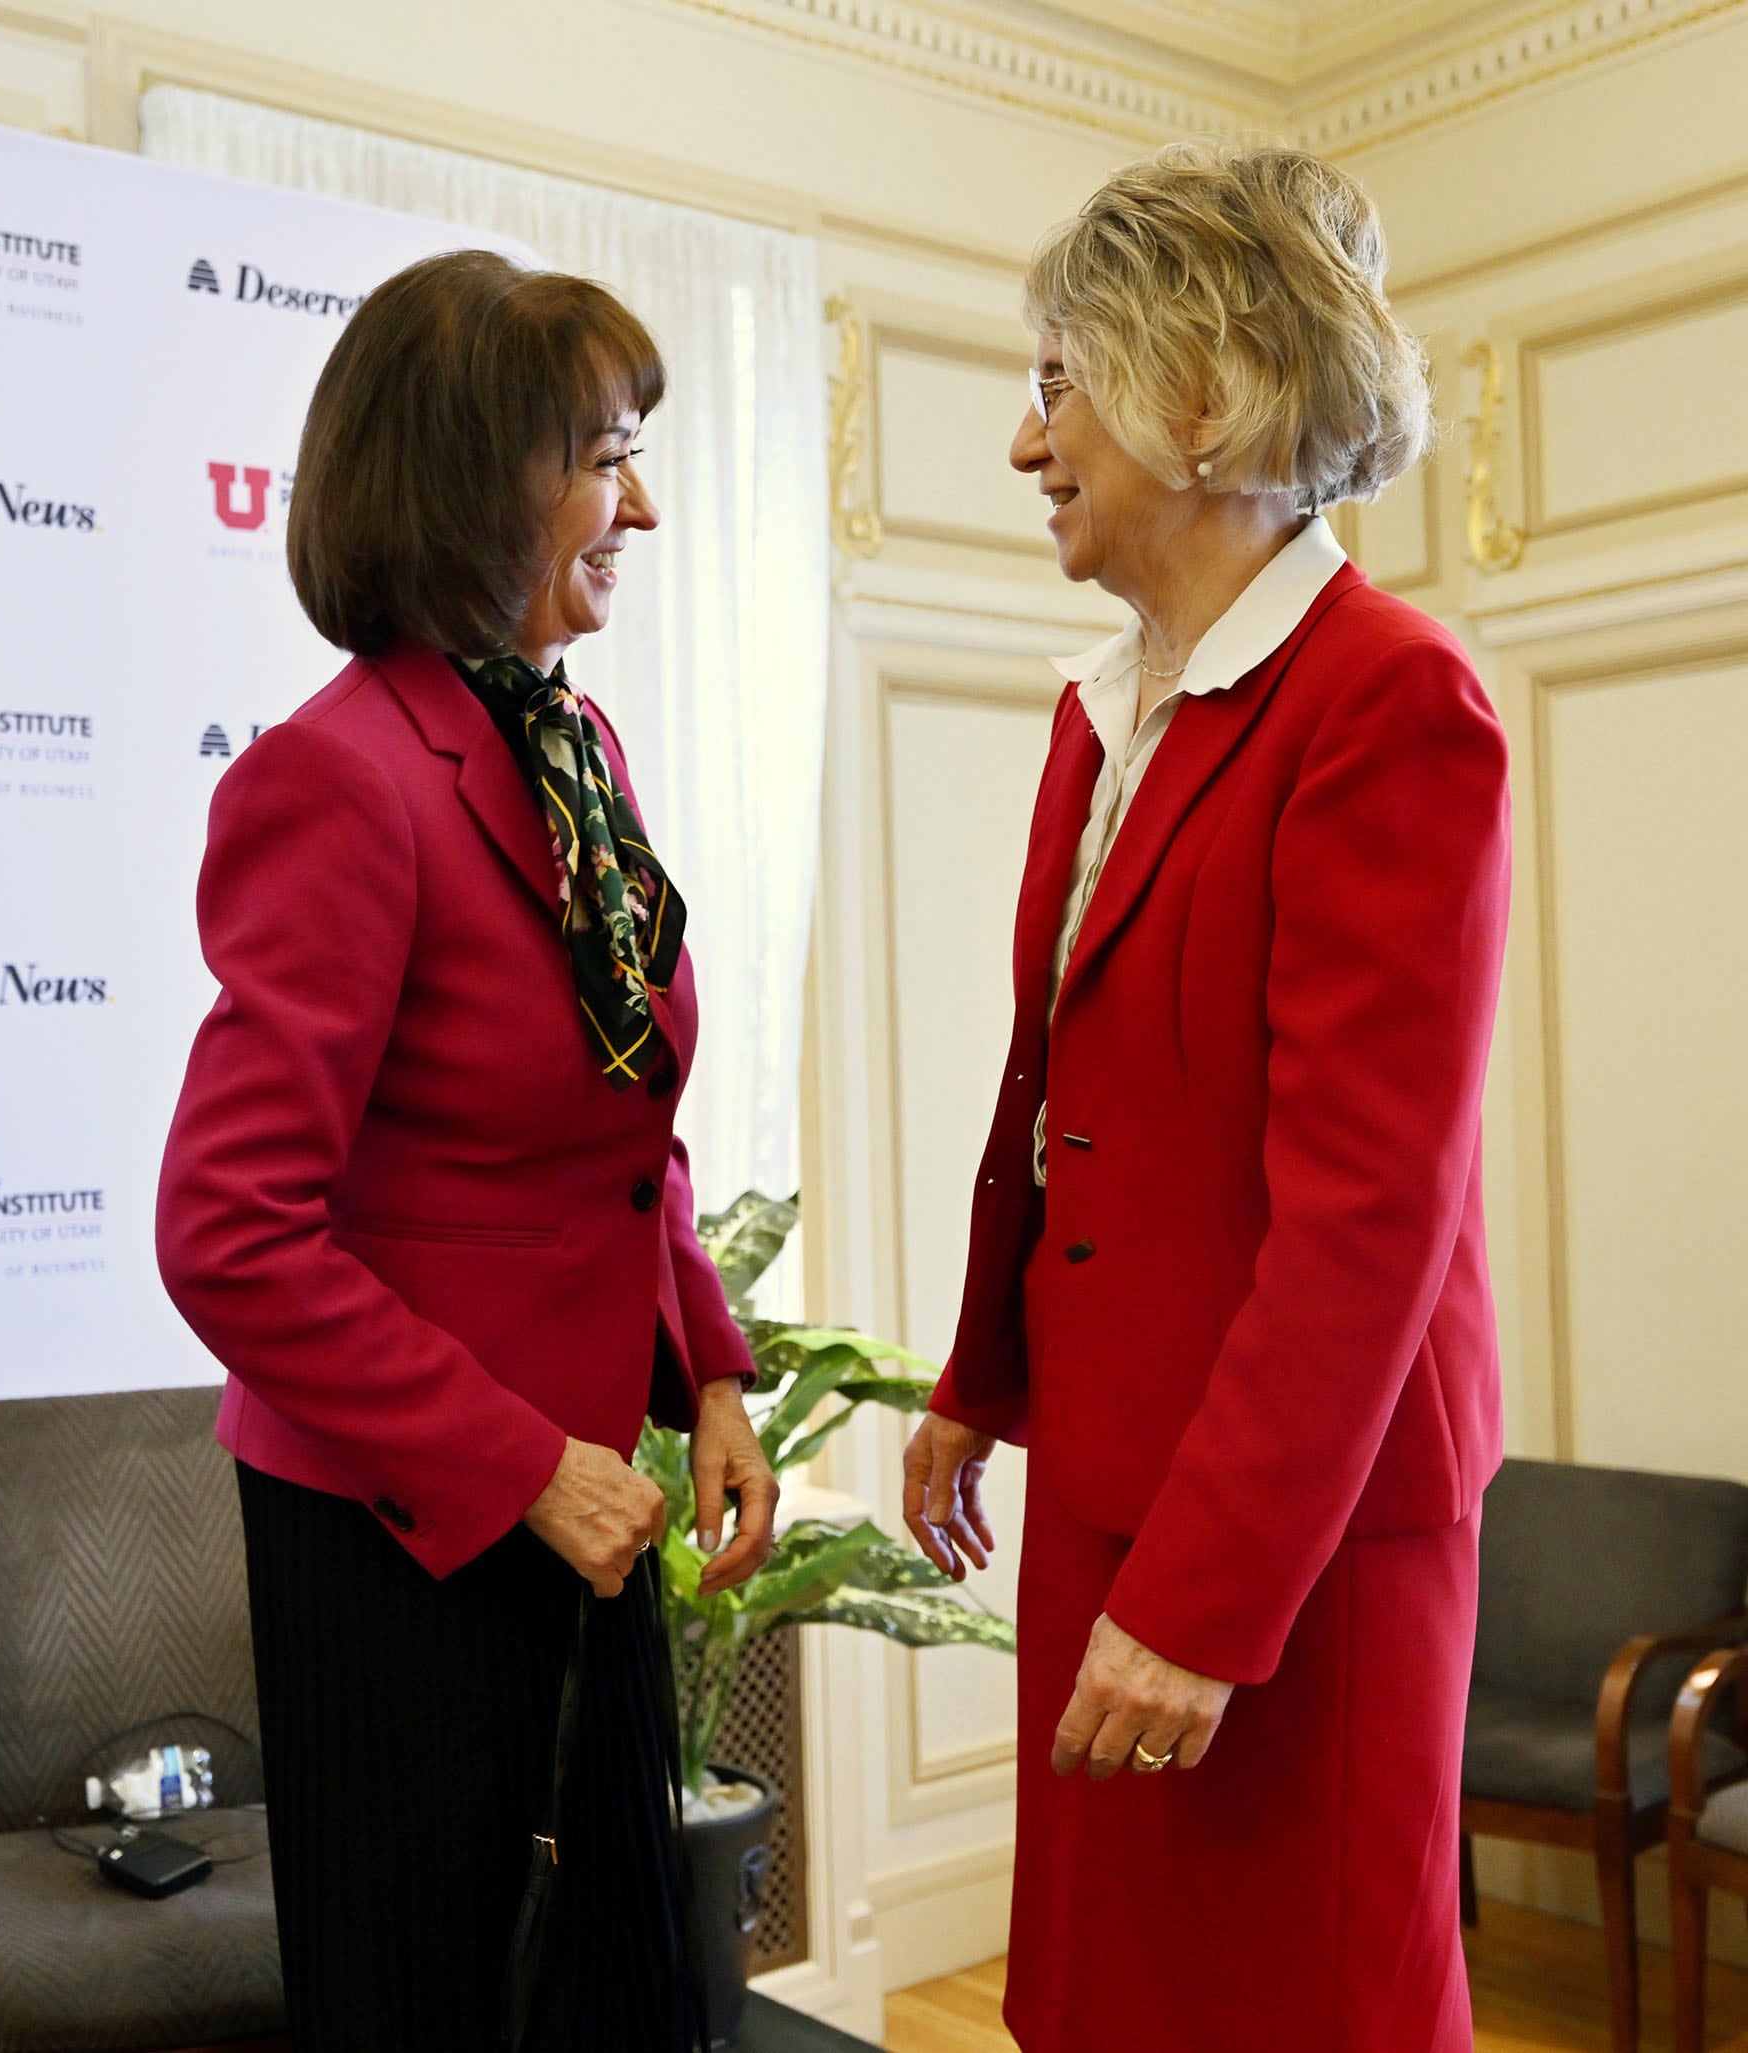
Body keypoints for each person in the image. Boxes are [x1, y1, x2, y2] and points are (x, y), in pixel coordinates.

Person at [900, 142, 1511, 2051]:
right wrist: (977, 1385)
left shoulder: (1391, 700)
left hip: (1290, 1541)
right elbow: (1063, 1092)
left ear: (1198, 382)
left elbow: (1367, 1216)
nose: (1028, 443)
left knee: (1288, 2006)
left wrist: (1206, 1598)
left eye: (1055, 379)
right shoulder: (1109, 701)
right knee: (1107, 2005)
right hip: (1106, 1474)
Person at [157, 249, 774, 2053]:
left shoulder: (574, 750)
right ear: (470, 473)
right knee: (444, 2007)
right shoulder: (335, 778)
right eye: (602, 453)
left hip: (582, 1506)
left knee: (602, 2002)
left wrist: (714, 1369)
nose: (639, 505)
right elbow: (228, 1234)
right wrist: (520, 1468)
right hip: (411, 1534)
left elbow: (621, 1128)